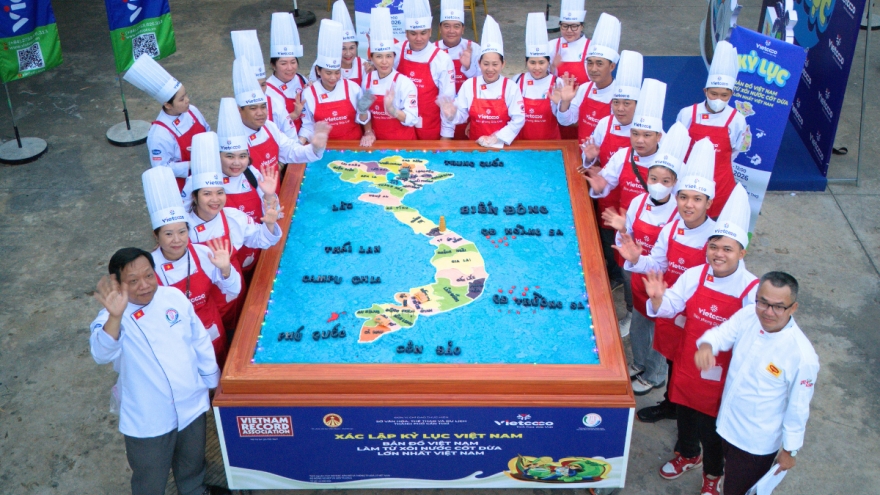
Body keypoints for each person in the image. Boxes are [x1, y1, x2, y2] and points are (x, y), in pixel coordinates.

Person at [644, 184, 759, 495]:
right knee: (683, 414)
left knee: (713, 430)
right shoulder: (695, 274)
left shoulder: (752, 290)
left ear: (741, 252)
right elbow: (671, 305)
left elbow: (755, 338)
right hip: (687, 364)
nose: (718, 255)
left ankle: (712, 474)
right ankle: (688, 454)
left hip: (723, 377)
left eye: (727, 249)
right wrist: (657, 300)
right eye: (714, 247)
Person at [90, 247, 229, 495]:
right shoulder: (109, 318)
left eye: (149, 276)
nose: (144, 285)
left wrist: (211, 380)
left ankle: (195, 491)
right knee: (150, 477)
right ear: (116, 283)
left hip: (190, 402)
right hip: (149, 417)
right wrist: (115, 315)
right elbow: (101, 353)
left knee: (192, 462)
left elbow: (199, 339)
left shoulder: (173, 297)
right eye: (133, 281)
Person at [695, 272, 819, 495]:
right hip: (726, 421)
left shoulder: (802, 356)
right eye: (763, 302)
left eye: (778, 307)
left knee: (738, 490)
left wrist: (790, 450)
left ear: (793, 308)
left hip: (754, 443)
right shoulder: (748, 315)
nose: (768, 312)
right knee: (727, 477)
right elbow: (721, 334)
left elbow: (798, 408)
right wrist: (707, 346)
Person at [632, 137, 718, 423]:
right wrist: (635, 258)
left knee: (695, 371)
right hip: (672, 306)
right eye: (683, 197)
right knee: (672, 359)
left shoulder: (717, 240)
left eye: (697, 199)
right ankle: (671, 404)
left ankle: (692, 425)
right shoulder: (671, 228)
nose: (688, 205)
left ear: (709, 202)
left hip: (700, 314)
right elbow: (657, 263)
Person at [603, 123, 690, 396]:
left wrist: (641, 260)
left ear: (676, 183)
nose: (658, 185)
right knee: (640, 322)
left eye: (666, 181)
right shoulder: (639, 201)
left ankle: (655, 374)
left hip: (664, 281)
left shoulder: (681, 212)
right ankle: (639, 362)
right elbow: (625, 235)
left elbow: (672, 256)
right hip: (638, 273)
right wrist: (625, 245)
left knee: (660, 330)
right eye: (653, 178)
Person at [584, 78, 667, 336]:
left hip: (659, 235)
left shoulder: (671, 163)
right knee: (629, 275)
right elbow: (605, 184)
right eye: (635, 134)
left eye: (646, 135)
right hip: (627, 230)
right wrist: (598, 187)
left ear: (659, 136)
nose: (639, 140)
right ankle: (631, 313)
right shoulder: (623, 156)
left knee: (655, 283)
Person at [184, 131, 283, 335]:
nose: (215, 200)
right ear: (194, 197)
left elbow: (261, 238)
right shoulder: (183, 229)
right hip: (201, 302)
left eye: (220, 193)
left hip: (235, 289)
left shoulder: (232, 216)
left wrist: (270, 222)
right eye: (207, 194)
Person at [145, 166, 240, 368]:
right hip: (177, 339)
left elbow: (234, 289)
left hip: (211, 325)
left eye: (182, 232)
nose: (177, 240)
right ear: (156, 236)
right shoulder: (147, 268)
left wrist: (226, 270)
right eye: (168, 234)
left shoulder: (202, 253)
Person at [183, 98, 281, 281]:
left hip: (251, 244)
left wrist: (269, 196)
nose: (237, 163)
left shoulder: (251, 174)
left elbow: (273, 216)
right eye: (229, 156)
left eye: (242, 156)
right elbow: (182, 217)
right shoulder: (196, 181)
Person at [578, 49, 642, 292]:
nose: (620, 108)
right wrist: (590, 157)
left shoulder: (653, 133)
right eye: (616, 102)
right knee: (609, 244)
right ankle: (614, 277)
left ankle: (631, 296)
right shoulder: (605, 124)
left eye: (627, 103)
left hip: (636, 201)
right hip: (608, 197)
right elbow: (590, 159)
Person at [676, 41, 746, 218]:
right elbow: (677, 146)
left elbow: (736, 150)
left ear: (731, 94)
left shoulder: (737, 120)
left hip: (721, 187)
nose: (718, 99)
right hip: (688, 186)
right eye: (714, 94)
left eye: (724, 95)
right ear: (705, 90)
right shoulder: (687, 114)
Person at [232, 56, 329, 178]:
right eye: (253, 108)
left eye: (263, 107)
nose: (260, 113)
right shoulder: (233, 137)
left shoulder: (270, 127)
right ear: (239, 110)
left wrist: (316, 148)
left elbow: (292, 151)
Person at [124, 54, 210, 191]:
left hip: (207, 176)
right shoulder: (159, 134)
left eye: (186, 95)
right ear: (168, 105)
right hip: (183, 188)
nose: (187, 100)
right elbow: (161, 168)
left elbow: (207, 131)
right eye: (181, 99)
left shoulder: (192, 110)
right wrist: (192, 164)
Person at [438, 16, 525, 147]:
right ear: (479, 63)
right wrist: (451, 114)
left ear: (503, 64)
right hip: (475, 146)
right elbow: (461, 115)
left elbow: (519, 119)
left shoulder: (511, 87)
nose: (490, 69)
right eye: (486, 64)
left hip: (504, 147)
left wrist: (496, 138)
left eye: (495, 64)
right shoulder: (469, 85)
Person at [300, 19, 370, 142]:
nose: (333, 78)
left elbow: (363, 119)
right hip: (324, 150)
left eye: (337, 72)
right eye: (328, 73)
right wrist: (299, 145)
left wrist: (364, 112)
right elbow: (307, 126)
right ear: (318, 70)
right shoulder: (309, 93)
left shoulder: (353, 88)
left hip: (353, 146)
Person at [396, 0, 456, 140]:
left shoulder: (441, 59)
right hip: (401, 126)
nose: (418, 38)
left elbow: (447, 100)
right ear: (406, 33)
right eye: (413, 33)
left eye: (423, 33)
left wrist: (446, 136)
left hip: (429, 127)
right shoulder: (397, 51)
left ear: (430, 32)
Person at [556, 12, 619, 144]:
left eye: (599, 64)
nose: (593, 69)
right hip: (581, 156)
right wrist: (565, 102)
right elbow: (566, 121)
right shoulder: (584, 89)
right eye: (590, 62)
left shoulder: (619, 95)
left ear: (612, 66)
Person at [360, 7, 419, 145]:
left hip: (403, 143)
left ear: (394, 57)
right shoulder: (367, 79)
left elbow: (412, 118)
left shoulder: (404, 83)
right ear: (372, 58)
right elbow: (364, 112)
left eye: (388, 56)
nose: (384, 61)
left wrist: (392, 110)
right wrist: (368, 131)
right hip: (376, 142)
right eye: (379, 56)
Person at [435, 0, 481, 139]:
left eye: (456, 26)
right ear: (440, 28)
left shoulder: (474, 48)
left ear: (463, 28)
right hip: (439, 114)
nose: (451, 31)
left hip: (466, 113)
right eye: (446, 26)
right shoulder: (432, 50)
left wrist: (467, 68)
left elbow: (483, 83)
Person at [515, 12, 560, 140]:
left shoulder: (558, 83)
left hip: (551, 145)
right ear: (526, 61)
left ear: (548, 62)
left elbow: (564, 120)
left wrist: (563, 104)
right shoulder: (518, 80)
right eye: (532, 62)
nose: (537, 68)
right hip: (522, 144)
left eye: (541, 62)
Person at [549, 0, 589, 139]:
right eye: (565, 26)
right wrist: (553, 67)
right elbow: (540, 76)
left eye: (574, 27)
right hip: (558, 106)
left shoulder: (591, 48)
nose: (569, 31)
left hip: (583, 108)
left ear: (582, 26)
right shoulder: (552, 46)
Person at [309, 0, 370, 87]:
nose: (348, 53)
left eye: (352, 48)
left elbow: (368, 95)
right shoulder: (322, 64)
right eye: (343, 48)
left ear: (357, 46)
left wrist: (370, 76)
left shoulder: (364, 65)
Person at [266, 12, 308, 138]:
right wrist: (294, 115)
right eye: (283, 63)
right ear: (273, 65)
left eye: (293, 62)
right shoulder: (267, 90)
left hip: (305, 138)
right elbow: (268, 128)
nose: (290, 68)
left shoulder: (301, 79)